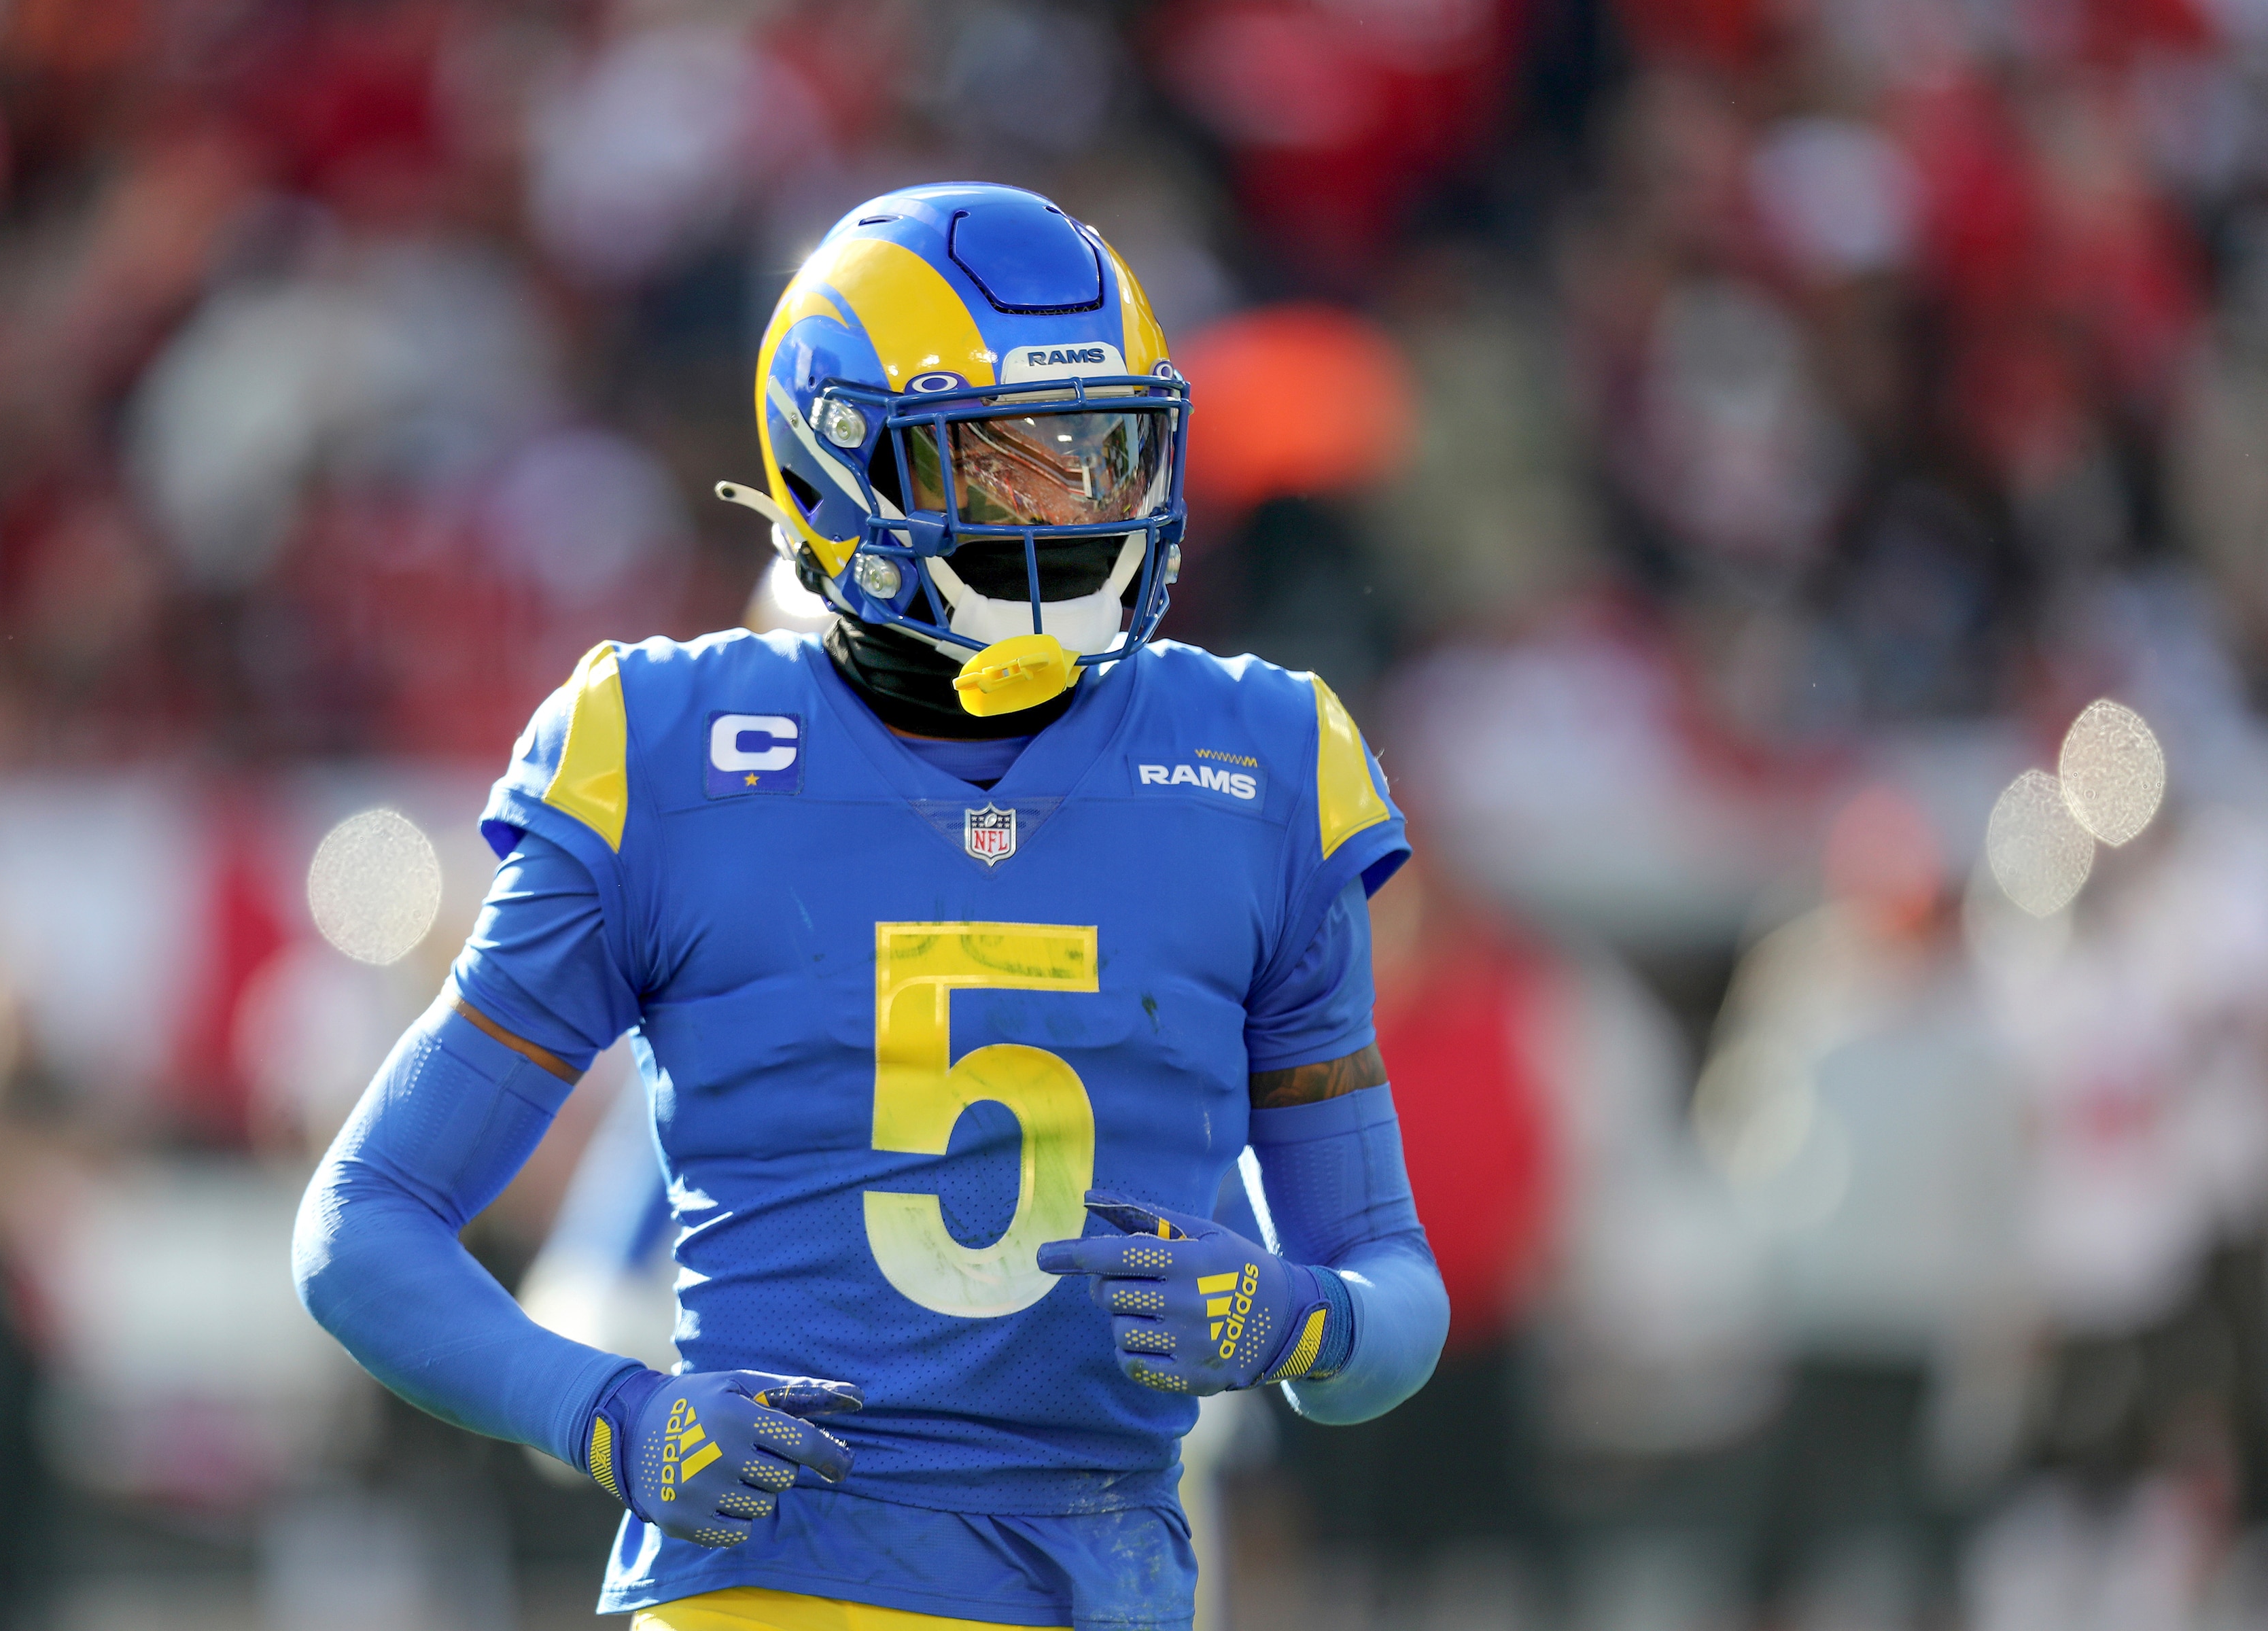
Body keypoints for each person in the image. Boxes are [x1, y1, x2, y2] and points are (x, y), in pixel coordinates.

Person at [292, 181, 1449, 1631]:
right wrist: (609, 1415)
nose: (1073, 509)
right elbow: (366, 1222)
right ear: (841, 467)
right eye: (1002, 464)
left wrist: (1307, 1319)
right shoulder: (665, 747)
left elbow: (1392, 1288)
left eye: (1104, 453)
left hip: (1121, 1578)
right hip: (781, 1583)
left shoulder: (1270, 758)